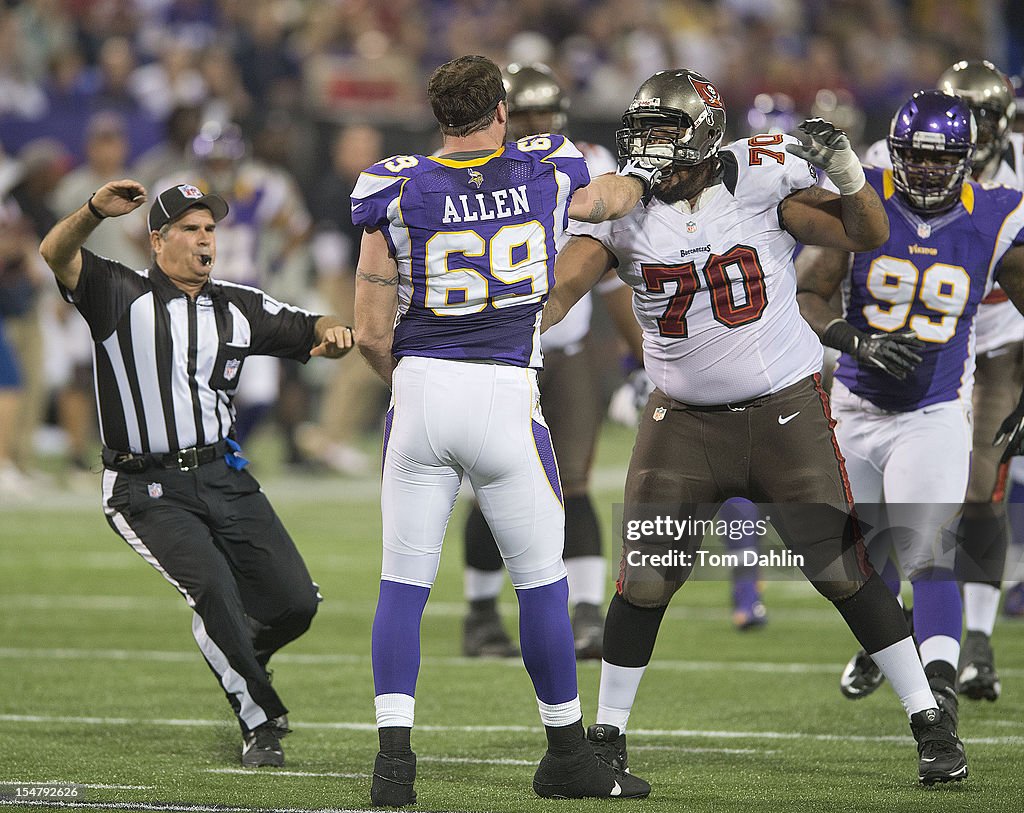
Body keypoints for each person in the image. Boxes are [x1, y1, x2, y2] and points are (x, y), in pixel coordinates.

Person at [543, 68, 967, 787]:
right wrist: (501, 332)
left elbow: (868, 231)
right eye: (640, 131)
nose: (647, 148)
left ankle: (929, 718)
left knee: (843, 569)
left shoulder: (758, 176)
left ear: (705, 136)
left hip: (785, 413)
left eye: (663, 132)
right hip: (680, 424)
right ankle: (607, 735)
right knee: (642, 580)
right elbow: (560, 291)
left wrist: (849, 178)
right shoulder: (625, 207)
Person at [351, 54, 665, 805]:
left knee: (403, 586)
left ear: (439, 117)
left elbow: (368, 332)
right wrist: (647, 174)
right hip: (504, 391)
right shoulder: (548, 168)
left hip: (421, 389)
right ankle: (566, 754)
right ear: (500, 112)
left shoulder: (392, 185)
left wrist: (420, 386)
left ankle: (393, 767)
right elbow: (608, 201)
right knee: (542, 587)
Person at [37, 178, 355, 768]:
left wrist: (333, 337)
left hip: (223, 474)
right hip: (146, 487)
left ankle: (231, 646)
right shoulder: (117, 292)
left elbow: (311, 325)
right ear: (158, 241)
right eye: (189, 228)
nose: (205, 238)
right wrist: (90, 212)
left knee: (294, 603)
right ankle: (258, 721)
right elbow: (55, 253)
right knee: (213, 590)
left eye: (210, 227)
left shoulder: (238, 305)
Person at [797, 88, 1024, 761]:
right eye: (913, 159)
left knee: (930, 550)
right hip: (855, 408)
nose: (924, 171)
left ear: (965, 159)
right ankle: (889, 640)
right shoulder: (866, 196)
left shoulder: (995, 216)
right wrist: (851, 338)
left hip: (933, 411)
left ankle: (940, 699)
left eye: (939, 159)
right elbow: (810, 290)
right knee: (856, 565)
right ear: (893, 155)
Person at [460, 61, 637, 660]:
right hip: (502, 351)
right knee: (491, 484)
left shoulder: (581, 161)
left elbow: (608, 265)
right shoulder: (479, 167)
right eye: (526, 114)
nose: (537, 125)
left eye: (545, 114)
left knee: (576, 481)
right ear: (502, 115)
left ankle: (585, 610)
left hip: (563, 348)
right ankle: (481, 614)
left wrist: (644, 356)